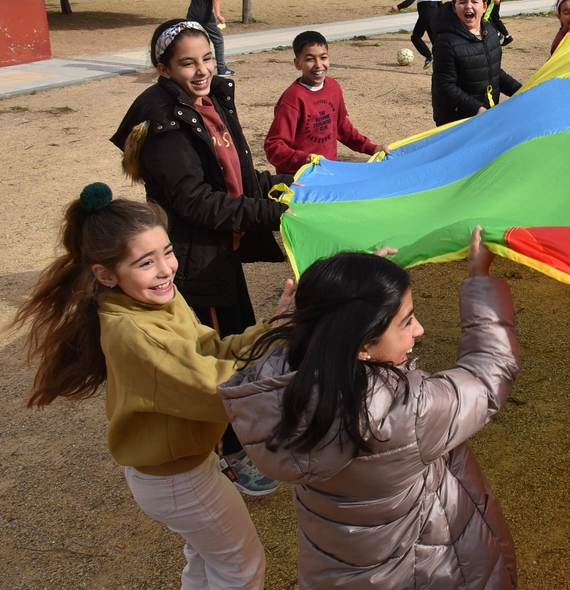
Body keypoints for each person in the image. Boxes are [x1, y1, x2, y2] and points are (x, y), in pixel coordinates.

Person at [12, 184, 297, 588]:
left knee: (208, 560)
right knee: (240, 568)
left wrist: (274, 328)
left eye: (167, 252)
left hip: (179, 469)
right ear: (106, 275)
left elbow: (208, 347)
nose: (165, 269)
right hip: (179, 479)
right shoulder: (135, 332)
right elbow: (223, 389)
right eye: (146, 262)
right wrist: (287, 342)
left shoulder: (153, 299)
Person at [219, 227, 519, 590]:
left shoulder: (282, 384)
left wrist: (356, 289)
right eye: (406, 321)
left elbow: (319, 326)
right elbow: (486, 379)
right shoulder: (401, 412)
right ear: (362, 344)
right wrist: (478, 280)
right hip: (412, 574)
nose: (419, 329)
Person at [111, 20, 292, 494]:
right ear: (164, 68)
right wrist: (273, 213)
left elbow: (232, 170)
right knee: (214, 355)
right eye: (187, 63)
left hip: (221, 251)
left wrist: (281, 184)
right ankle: (231, 452)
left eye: (207, 58)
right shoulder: (165, 124)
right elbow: (196, 202)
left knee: (240, 339)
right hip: (195, 257)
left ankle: (250, 433)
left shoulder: (208, 102)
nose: (201, 70)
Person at [264, 30, 389, 175]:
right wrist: (304, 159)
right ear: (297, 63)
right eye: (310, 59)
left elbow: (341, 126)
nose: (318, 65)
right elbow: (274, 147)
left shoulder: (334, 87)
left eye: (323, 57)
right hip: (299, 179)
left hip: (328, 172)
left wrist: (371, 148)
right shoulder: (292, 99)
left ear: (329, 57)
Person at [431, 0, 522, 127]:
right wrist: (477, 109)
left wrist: (522, 91)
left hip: (486, 115)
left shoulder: (491, 33)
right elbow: (445, 85)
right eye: (462, 2)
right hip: (457, 121)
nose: (468, 6)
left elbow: (494, 71)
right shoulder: (445, 42)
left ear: (484, 6)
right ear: (454, 7)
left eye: (474, 1)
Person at [185, 0, 232, 77]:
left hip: (191, 16)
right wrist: (219, 15)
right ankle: (221, 68)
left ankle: (189, 65)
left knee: (193, 41)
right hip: (204, 17)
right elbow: (215, 0)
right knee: (218, 40)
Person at [391, 0, 442, 70]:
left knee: (415, 37)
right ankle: (443, 60)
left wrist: (399, 7)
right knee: (435, 39)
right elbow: (440, 3)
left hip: (425, 16)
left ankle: (429, 56)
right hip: (435, 15)